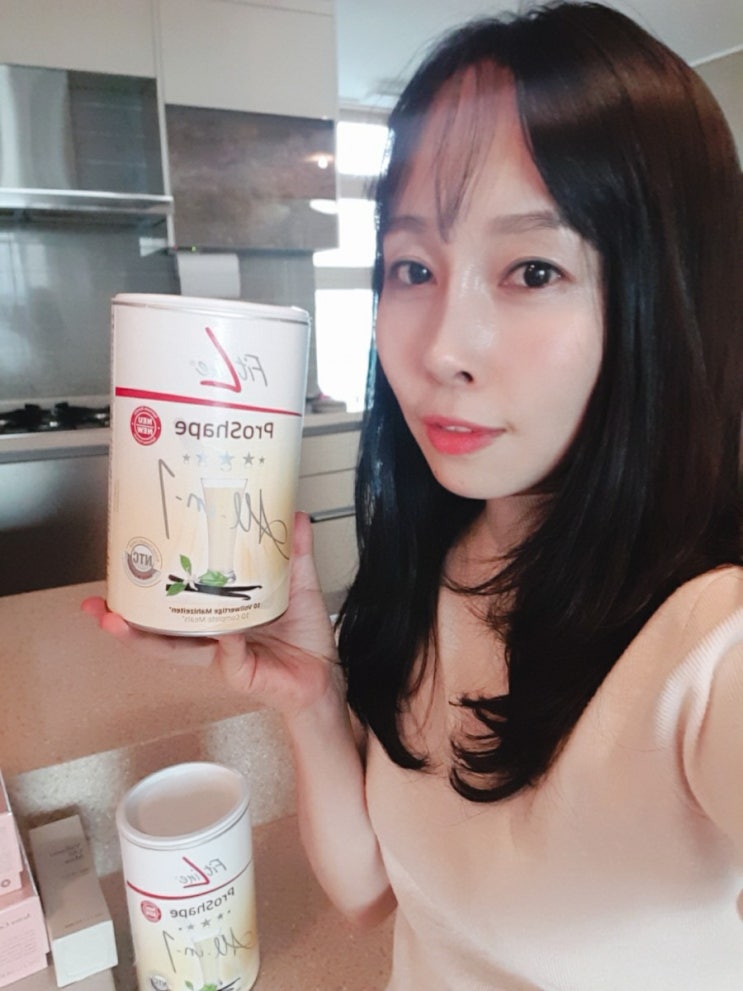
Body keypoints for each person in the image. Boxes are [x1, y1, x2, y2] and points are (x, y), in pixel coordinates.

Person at [84, 2, 743, 987]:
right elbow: (369, 895)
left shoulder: (710, 643)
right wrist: (312, 696)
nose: (439, 347)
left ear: (667, 295)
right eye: (412, 266)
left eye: (531, 269)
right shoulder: (443, 553)